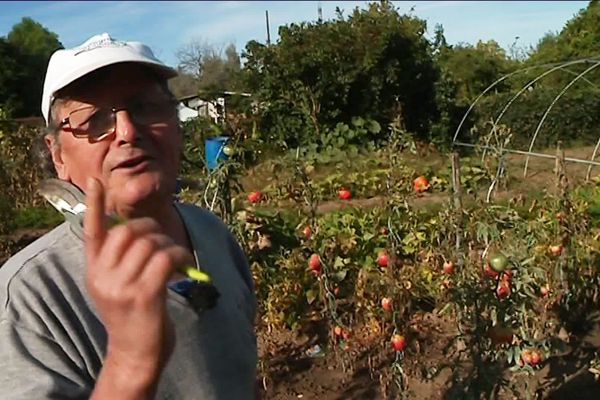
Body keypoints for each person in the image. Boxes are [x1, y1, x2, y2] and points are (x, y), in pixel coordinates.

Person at [0, 33, 257, 399]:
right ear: (57, 155)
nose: (128, 131)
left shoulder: (212, 233)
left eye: (146, 107)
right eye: (93, 120)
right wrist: (129, 365)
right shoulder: (30, 300)